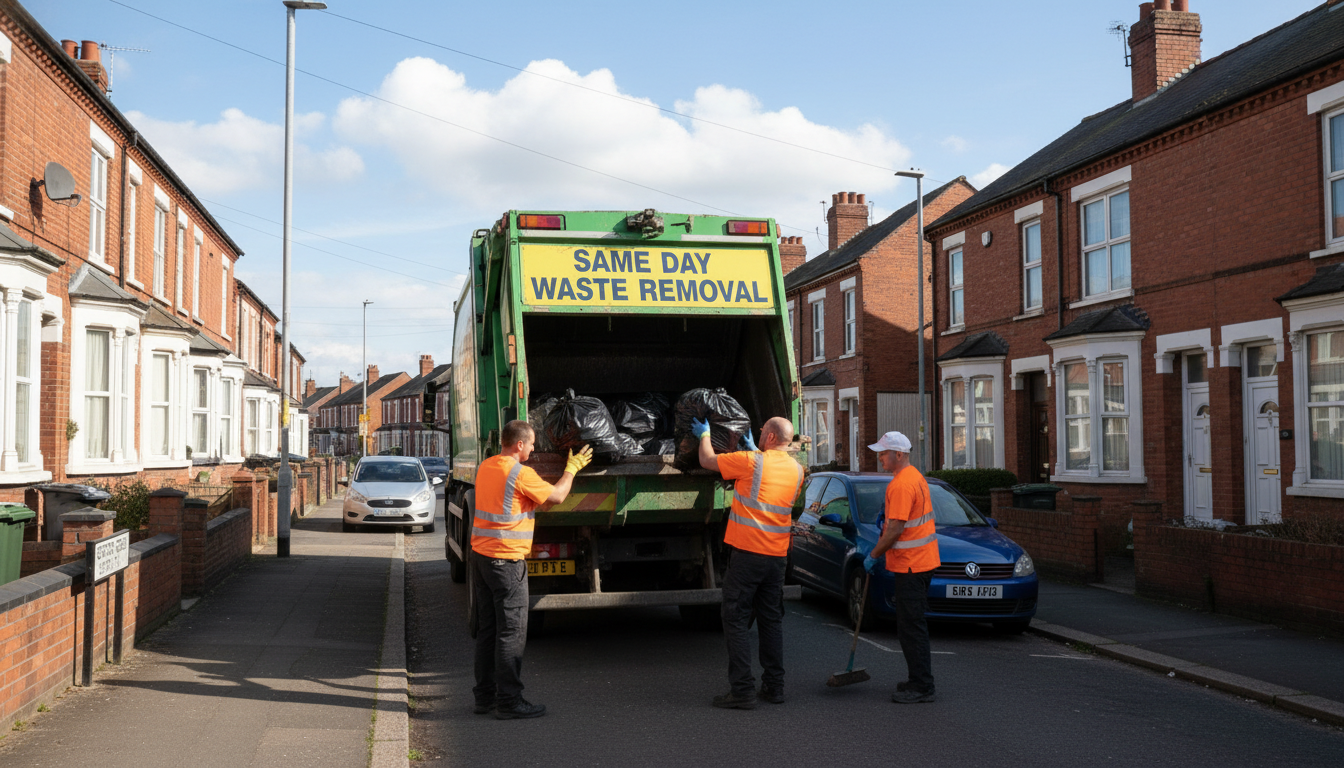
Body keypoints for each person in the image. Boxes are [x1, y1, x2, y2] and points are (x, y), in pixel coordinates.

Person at [471, 420, 592, 719]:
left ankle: (485, 697)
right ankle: (509, 701)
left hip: (482, 558)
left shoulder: (486, 466)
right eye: (533, 443)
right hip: (506, 562)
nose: (536, 448)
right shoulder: (520, 473)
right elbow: (557, 497)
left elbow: (509, 503)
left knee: (488, 630)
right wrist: (572, 469)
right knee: (511, 632)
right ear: (519, 445)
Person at [695, 416, 804, 709]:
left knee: (735, 618)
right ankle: (774, 687)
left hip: (748, 555)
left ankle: (742, 690)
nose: (757, 436)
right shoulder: (797, 470)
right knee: (771, 621)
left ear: (769, 438)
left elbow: (707, 461)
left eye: (760, 433)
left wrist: (704, 434)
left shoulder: (751, 462)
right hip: (777, 558)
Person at [863, 431, 941, 703]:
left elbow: (896, 529)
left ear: (899, 454)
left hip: (912, 566)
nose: (880, 457)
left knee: (911, 627)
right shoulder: (914, 477)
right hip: (923, 562)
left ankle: (922, 686)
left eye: (883, 453)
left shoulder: (900, 485)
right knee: (912, 625)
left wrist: (873, 554)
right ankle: (917, 680)